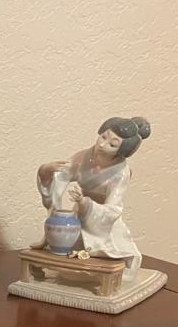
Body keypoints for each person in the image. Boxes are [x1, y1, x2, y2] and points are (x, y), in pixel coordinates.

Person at [35, 117, 150, 278]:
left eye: (112, 145)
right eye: (103, 136)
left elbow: (113, 208)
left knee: (116, 259)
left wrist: (85, 203)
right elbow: (61, 176)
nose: (102, 144)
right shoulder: (83, 157)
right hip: (79, 214)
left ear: (122, 151)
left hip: (102, 220)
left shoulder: (121, 172)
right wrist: (46, 172)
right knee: (63, 247)